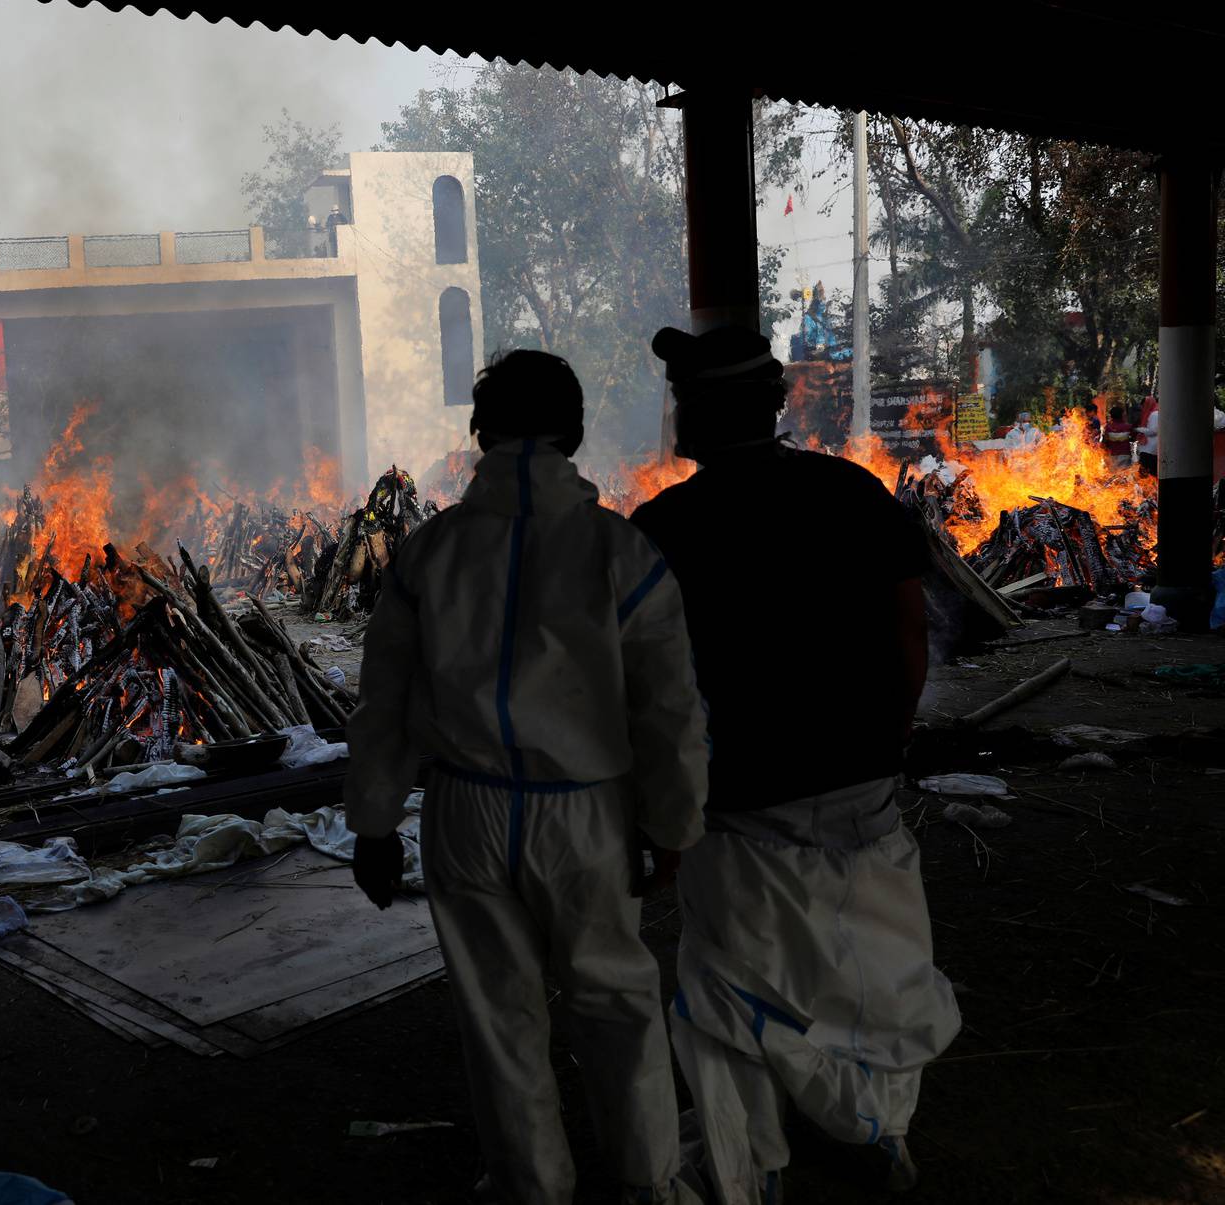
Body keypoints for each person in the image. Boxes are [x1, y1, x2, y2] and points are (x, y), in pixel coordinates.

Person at [345, 349, 709, 1205]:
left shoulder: (428, 555)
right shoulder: (622, 553)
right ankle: (648, 1184)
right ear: (575, 433)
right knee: (617, 1004)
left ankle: (531, 1186)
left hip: (465, 813)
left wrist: (372, 823)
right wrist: (674, 826)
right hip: (588, 813)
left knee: (499, 1018)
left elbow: (384, 705)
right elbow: (671, 710)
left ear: (479, 434)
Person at [630, 326, 961, 1205]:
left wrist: (656, 811)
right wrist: (888, 738)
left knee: (723, 997)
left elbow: (646, 687)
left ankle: (753, 1171)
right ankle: (876, 1130)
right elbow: (909, 630)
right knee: (874, 980)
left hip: (735, 809)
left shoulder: (662, 528)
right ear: (774, 409)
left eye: (683, 401)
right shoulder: (853, 494)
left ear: (697, 415)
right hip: (860, 790)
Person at [1138, 401, 1160, 477]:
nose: (1142, 408)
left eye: (1143, 406)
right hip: (1151, 450)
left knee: (1147, 476)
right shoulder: (1151, 414)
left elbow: (1153, 431)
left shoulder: (1154, 414)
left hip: (1149, 451)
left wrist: (1139, 429)